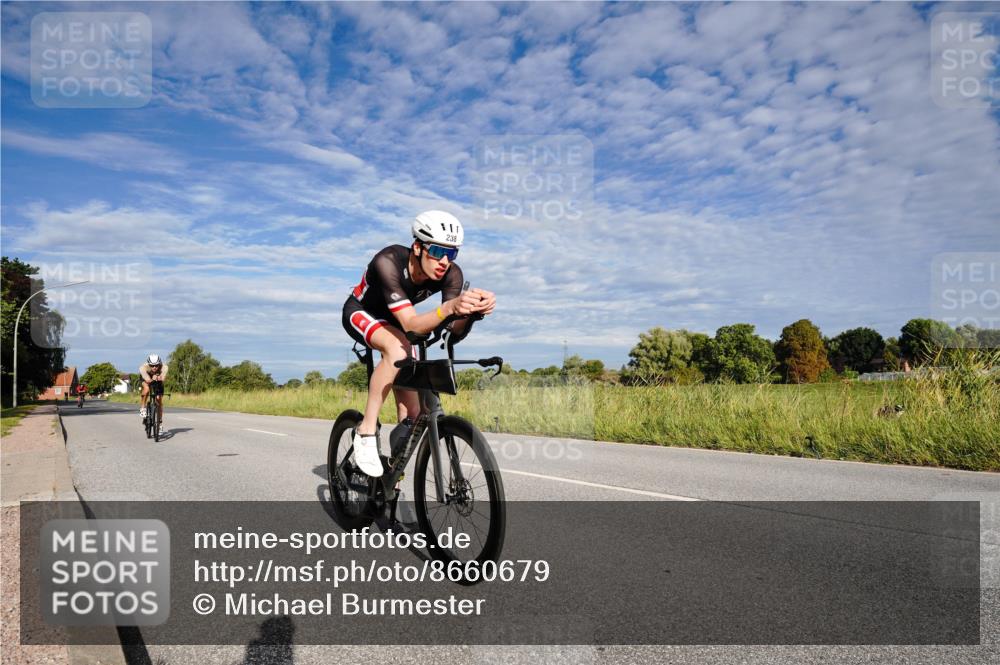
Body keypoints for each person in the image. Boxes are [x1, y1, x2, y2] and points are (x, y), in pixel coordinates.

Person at [342, 211, 495, 477]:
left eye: (452, 253)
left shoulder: (451, 274)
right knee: (397, 346)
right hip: (362, 312)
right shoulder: (388, 260)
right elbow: (413, 324)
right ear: (417, 247)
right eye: (437, 250)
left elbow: (451, 330)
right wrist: (449, 307)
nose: (444, 261)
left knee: (412, 416)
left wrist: (472, 313)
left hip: (400, 322)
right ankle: (365, 430)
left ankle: (392, 484)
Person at [139, 354, 169, 436]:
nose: (154, 367)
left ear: (159, 363)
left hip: (158, 380)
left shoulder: (164, 367)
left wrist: (159, 377)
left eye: (156, 365)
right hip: (147, 378)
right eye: (152, 365)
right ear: (149, 364)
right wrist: (152, 378)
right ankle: (143, 408)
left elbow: (163, 378)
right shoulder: (143, 367)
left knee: (159, 400)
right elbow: (147, 379)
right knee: (147, 389)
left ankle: (159, 423)